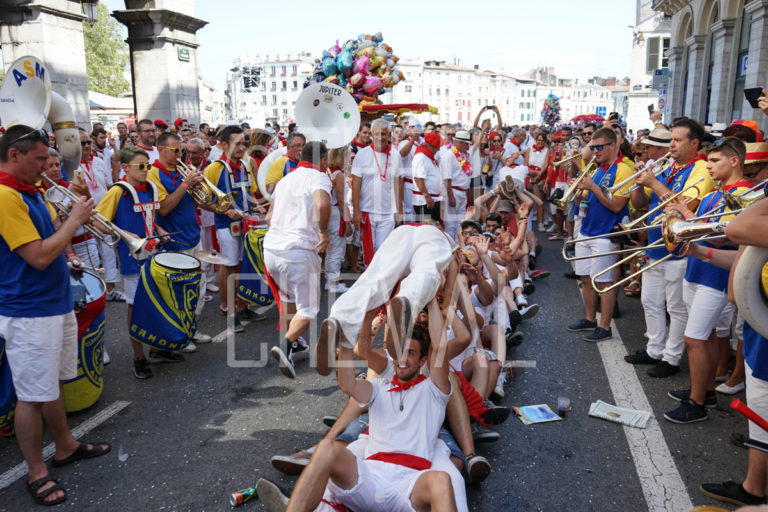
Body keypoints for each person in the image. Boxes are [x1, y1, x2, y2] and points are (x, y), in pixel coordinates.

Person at [0, 125, 110, 506]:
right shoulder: (5, 196)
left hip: (54, 301)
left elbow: (54, 245)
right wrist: (75, 220)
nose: (48, 166)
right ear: (15, 155)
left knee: (54, 383)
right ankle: (36, 471)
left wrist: (72, 249)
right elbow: (39, 255)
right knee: (30, 396)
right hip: (28, 310)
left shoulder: (31, 193)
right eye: (40, 158)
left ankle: (64, 445)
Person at [663, 137, 750, 423]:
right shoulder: (713, 193)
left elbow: (728, 236)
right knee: (707, 335)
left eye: (715, 161)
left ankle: (696, 403)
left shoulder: (745, 195)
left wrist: (685, 216)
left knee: (694, 337)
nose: (708, 166)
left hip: (717, 275)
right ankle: (707, 390)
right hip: (697, 269)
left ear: (734, 161)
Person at [627, 119, 713, 377]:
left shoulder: (702, 169)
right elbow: (642, 204)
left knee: (676, 307)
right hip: (655, 245)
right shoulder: (667, 166)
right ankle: (655, 349)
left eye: (677, 140)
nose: (671, 145)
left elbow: (686, 207)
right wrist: (638, 182)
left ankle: (672, 358)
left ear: (694, 143)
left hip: (679, 249)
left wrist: (654, 182)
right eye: (671, 140)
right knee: (650, 301)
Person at [96, 147, 171, 377]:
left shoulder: (150, 187)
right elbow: (99, 222)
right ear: (125, 168)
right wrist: (126, 234)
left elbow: (151, 216)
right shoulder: (118, 191)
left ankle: (157, 349)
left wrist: (158, 228)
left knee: (156, 302)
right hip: (132, 258)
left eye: (147, 166)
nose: (145, 170)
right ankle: (138, 357)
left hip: (153, 252)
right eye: (140, 166)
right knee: (135, 306)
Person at [264, 141, 331, 379]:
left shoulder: (285, 179)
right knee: (310, 309)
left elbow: (269, 217)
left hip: (272, 249)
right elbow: (323, 204)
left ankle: (294, 344)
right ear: (323, 160)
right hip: (298, 251)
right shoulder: (319, 177)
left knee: (288, 296)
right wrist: (323, 233)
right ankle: (286, 343)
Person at [146, 132, 212, 348]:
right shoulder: (153, 174)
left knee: (199, 288)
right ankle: (178, 333)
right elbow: (163, 208)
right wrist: (185, 185)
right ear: (160, 149)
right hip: (175, 242)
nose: (180, 155)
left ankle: (190, 328)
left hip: (193, 234)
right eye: (175, 151)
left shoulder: (180, 170)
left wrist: (197, 188)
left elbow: (199, 201)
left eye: (181, 151)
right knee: (179, 292)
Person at [566, 128, 632, 342]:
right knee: (585, 278)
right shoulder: (597, 168)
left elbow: (617, 206)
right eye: (592, 147)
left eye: (599, 147)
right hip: (587, 229)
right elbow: (585, 201)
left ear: (613, 145)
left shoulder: (622, 169)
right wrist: (576, 192)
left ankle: (605, 326)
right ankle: (589, 318)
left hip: (605, 233)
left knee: (604, 283)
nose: (594, 151)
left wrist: (593, 187)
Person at [203, 125, 261, 333]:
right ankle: (229, 310)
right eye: (238, 144)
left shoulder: (245, 166)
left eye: (244, 143)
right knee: (229, 267)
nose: (242, 147)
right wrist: (226, 211)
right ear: (225, 145)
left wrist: (257, 205)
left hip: (244, 224)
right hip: (225, 226)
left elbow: (250, 194)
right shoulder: (214, 168)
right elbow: (202, 200)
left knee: (243, 266)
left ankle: (242, 305)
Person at [351, 119, 402, 264]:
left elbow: (398, 183)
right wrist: (356, 211)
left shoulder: (395, 155)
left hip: (388, 211)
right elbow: (355, 183)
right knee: (369, 250)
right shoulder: (362, 155)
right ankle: (369, 282)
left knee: (383, 249)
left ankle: (380, 283)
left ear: (389, 135)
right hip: (368, 210)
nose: (380, 138)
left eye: (384, 134)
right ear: (372, 134)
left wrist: (399, 209)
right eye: (377, 134)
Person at [325, 146, 353, 293]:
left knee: (333, 249)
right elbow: (342, 201)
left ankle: (331, 280)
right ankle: (333, 282)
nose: (349, 158)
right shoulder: (338, 174)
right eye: (347, 155)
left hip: (331, 212)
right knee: (337, 249)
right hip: (336, 213)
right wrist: (348, 221)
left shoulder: (329, 171)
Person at [441, 130, 472, 242]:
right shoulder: (449, 155)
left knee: (461, 222)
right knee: (451, 225)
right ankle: (451, 249)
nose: (468, 146)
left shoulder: (465, 155)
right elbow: (447, 178)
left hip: (463, 193)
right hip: (453, 192)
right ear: (460, 143)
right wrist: (451, 196)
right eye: (467, 143)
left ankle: (460, 248)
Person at [412, 132, 443, 224]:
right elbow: (418, 179)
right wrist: (427, 196)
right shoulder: (420, 157)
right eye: (437, 147)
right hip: (424, 201)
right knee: (424, 229)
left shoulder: (428, 156)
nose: (438, 149)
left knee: (433, 228)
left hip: (431, 200)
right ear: (431, 146)